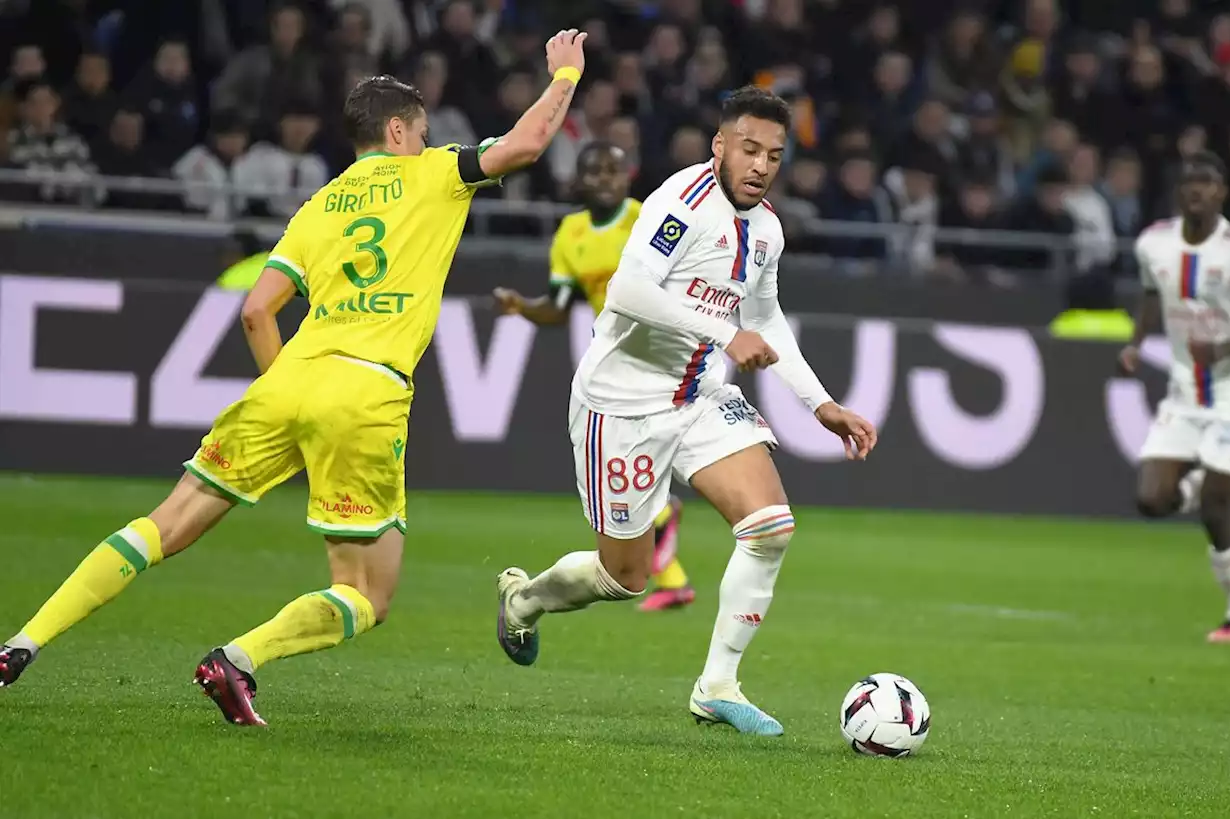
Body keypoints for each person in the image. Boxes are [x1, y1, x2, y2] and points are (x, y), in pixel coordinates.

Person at [0, 30, 591, 722]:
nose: (427, 143)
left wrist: (294, 400)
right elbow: (522, 146)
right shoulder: (435, 172)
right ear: (400, 130)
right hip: (366, 389)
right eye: (422, 132)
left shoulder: (318, 206)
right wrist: (566, 75)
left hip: (289, 379)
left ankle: (21, 641)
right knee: (367, 595)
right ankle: (239, 658)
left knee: (163, 524)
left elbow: (257, 310)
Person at [493, 87, 878, 735]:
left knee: (771, 527)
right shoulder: (681, 201)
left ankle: (717, 684)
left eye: (774, 156)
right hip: (621, 406)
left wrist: (821, 403)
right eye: (749, 149)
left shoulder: (768, 230)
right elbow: (631, 288)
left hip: (698, 398)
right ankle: (523, 599)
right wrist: (726, 334)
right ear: (719, 146)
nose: (760, 166)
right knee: (625, 577)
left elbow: (764, 319)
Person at [492, 142, 696, 613]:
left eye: (613, 169)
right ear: (579, 181)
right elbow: (559, 308)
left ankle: (665, 521)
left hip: (664, 355)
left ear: (629, 175)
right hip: (615, 364)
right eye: (594, 171)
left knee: (638, 466)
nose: (605, 178)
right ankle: (671, 562)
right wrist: (521, 306)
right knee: (628, 471)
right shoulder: (572, 233)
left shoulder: (650, 219)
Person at [1120, 150, 1230, 645]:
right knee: (1151, 499)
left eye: (1208, 183)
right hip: (1184, 392)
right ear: (1179, 191)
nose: (1197, 190)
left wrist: (1225, 349)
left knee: (1215, 505)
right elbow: (1152, 294)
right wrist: (1135, 339)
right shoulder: (1154, 243)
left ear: (1222, 193)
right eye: (1190, 182)